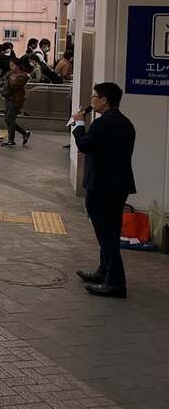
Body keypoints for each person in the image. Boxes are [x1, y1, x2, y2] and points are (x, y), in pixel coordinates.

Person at [72, 82, 136, 298]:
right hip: (119, 186)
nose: (92, 99)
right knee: (110, 231)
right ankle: (104, 271)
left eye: (94, 96)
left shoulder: (102, 124)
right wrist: (92, 151)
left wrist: (78, 124)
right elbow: (110, 150)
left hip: (102, 186)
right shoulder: (126, 123)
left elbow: (83, 143)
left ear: (104, 100)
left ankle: (115, 282)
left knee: (106, 235)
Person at [0, 58, 31, 147]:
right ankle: (24, 133)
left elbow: (14, 84)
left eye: (12, 65)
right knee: (8, 119)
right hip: (8, 98)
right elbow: (4, 80)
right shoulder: (10, 73)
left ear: (18, 66)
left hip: (16, 100)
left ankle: (11, 140)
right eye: (10, 65)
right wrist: (10, 78)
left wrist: (9, 79)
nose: (11, 67)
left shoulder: (23, 76)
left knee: (9, 119)